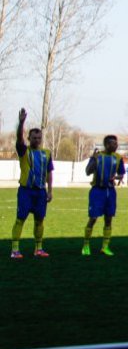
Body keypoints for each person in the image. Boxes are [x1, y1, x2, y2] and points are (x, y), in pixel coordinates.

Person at [11, 109, 53, 259]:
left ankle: (38, 249)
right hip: (26, 191)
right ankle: (15, 250)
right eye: (34, 137)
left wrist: (50, 191)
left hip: (40, 192)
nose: (37, 140)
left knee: (40, 220)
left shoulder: (46, 153)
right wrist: (21, 122)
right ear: (29, 138)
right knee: (20, 218)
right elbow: (18, 138)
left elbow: (49, 173)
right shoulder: (24, 151)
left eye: (39, 137)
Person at [83, 134, 125, 256]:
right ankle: (86, 245)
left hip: (110, 191)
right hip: (97, 191)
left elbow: (121, 174)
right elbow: (87, 172)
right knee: (93, 218)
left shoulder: (118, 157)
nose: (116, 146)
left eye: (116, 144)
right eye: (113, 144)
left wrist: (116, 177)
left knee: (108, 219)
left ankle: (105, 247)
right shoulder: (98, 156)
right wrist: (94, 160)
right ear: (107, 145)